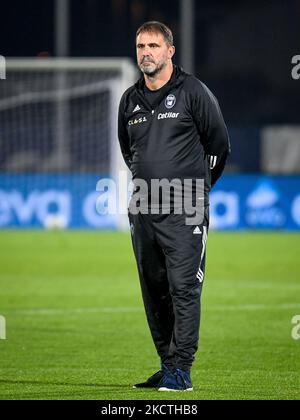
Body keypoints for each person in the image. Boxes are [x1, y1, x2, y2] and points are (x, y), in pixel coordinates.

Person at [118, 21, 230, 392]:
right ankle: (167, 365)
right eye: (140, 46)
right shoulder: (129, 100)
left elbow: (218, 145)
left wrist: (196, 191)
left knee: (184, 288)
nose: (145, 52)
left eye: (153, 45)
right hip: (143, 207)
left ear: (170, 51)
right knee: (155, 289)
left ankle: (181, 370)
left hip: (186, 204)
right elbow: (129, 151)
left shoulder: (193, 91)